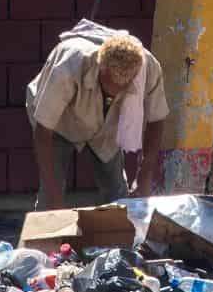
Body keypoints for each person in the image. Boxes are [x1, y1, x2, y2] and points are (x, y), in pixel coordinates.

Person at [25, 24, 168, 209]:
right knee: (50, 200)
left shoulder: (147, 68)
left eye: (124, 88)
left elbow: (157, 119)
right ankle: (47, 234)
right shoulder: (69, 66)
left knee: (118, 197)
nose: (117, 92)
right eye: (111, 86)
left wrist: (144, 175)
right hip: (60, 123)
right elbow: (43, 132)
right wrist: (54, 196)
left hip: (106, 125)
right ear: (101, 68)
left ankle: (118, 236)